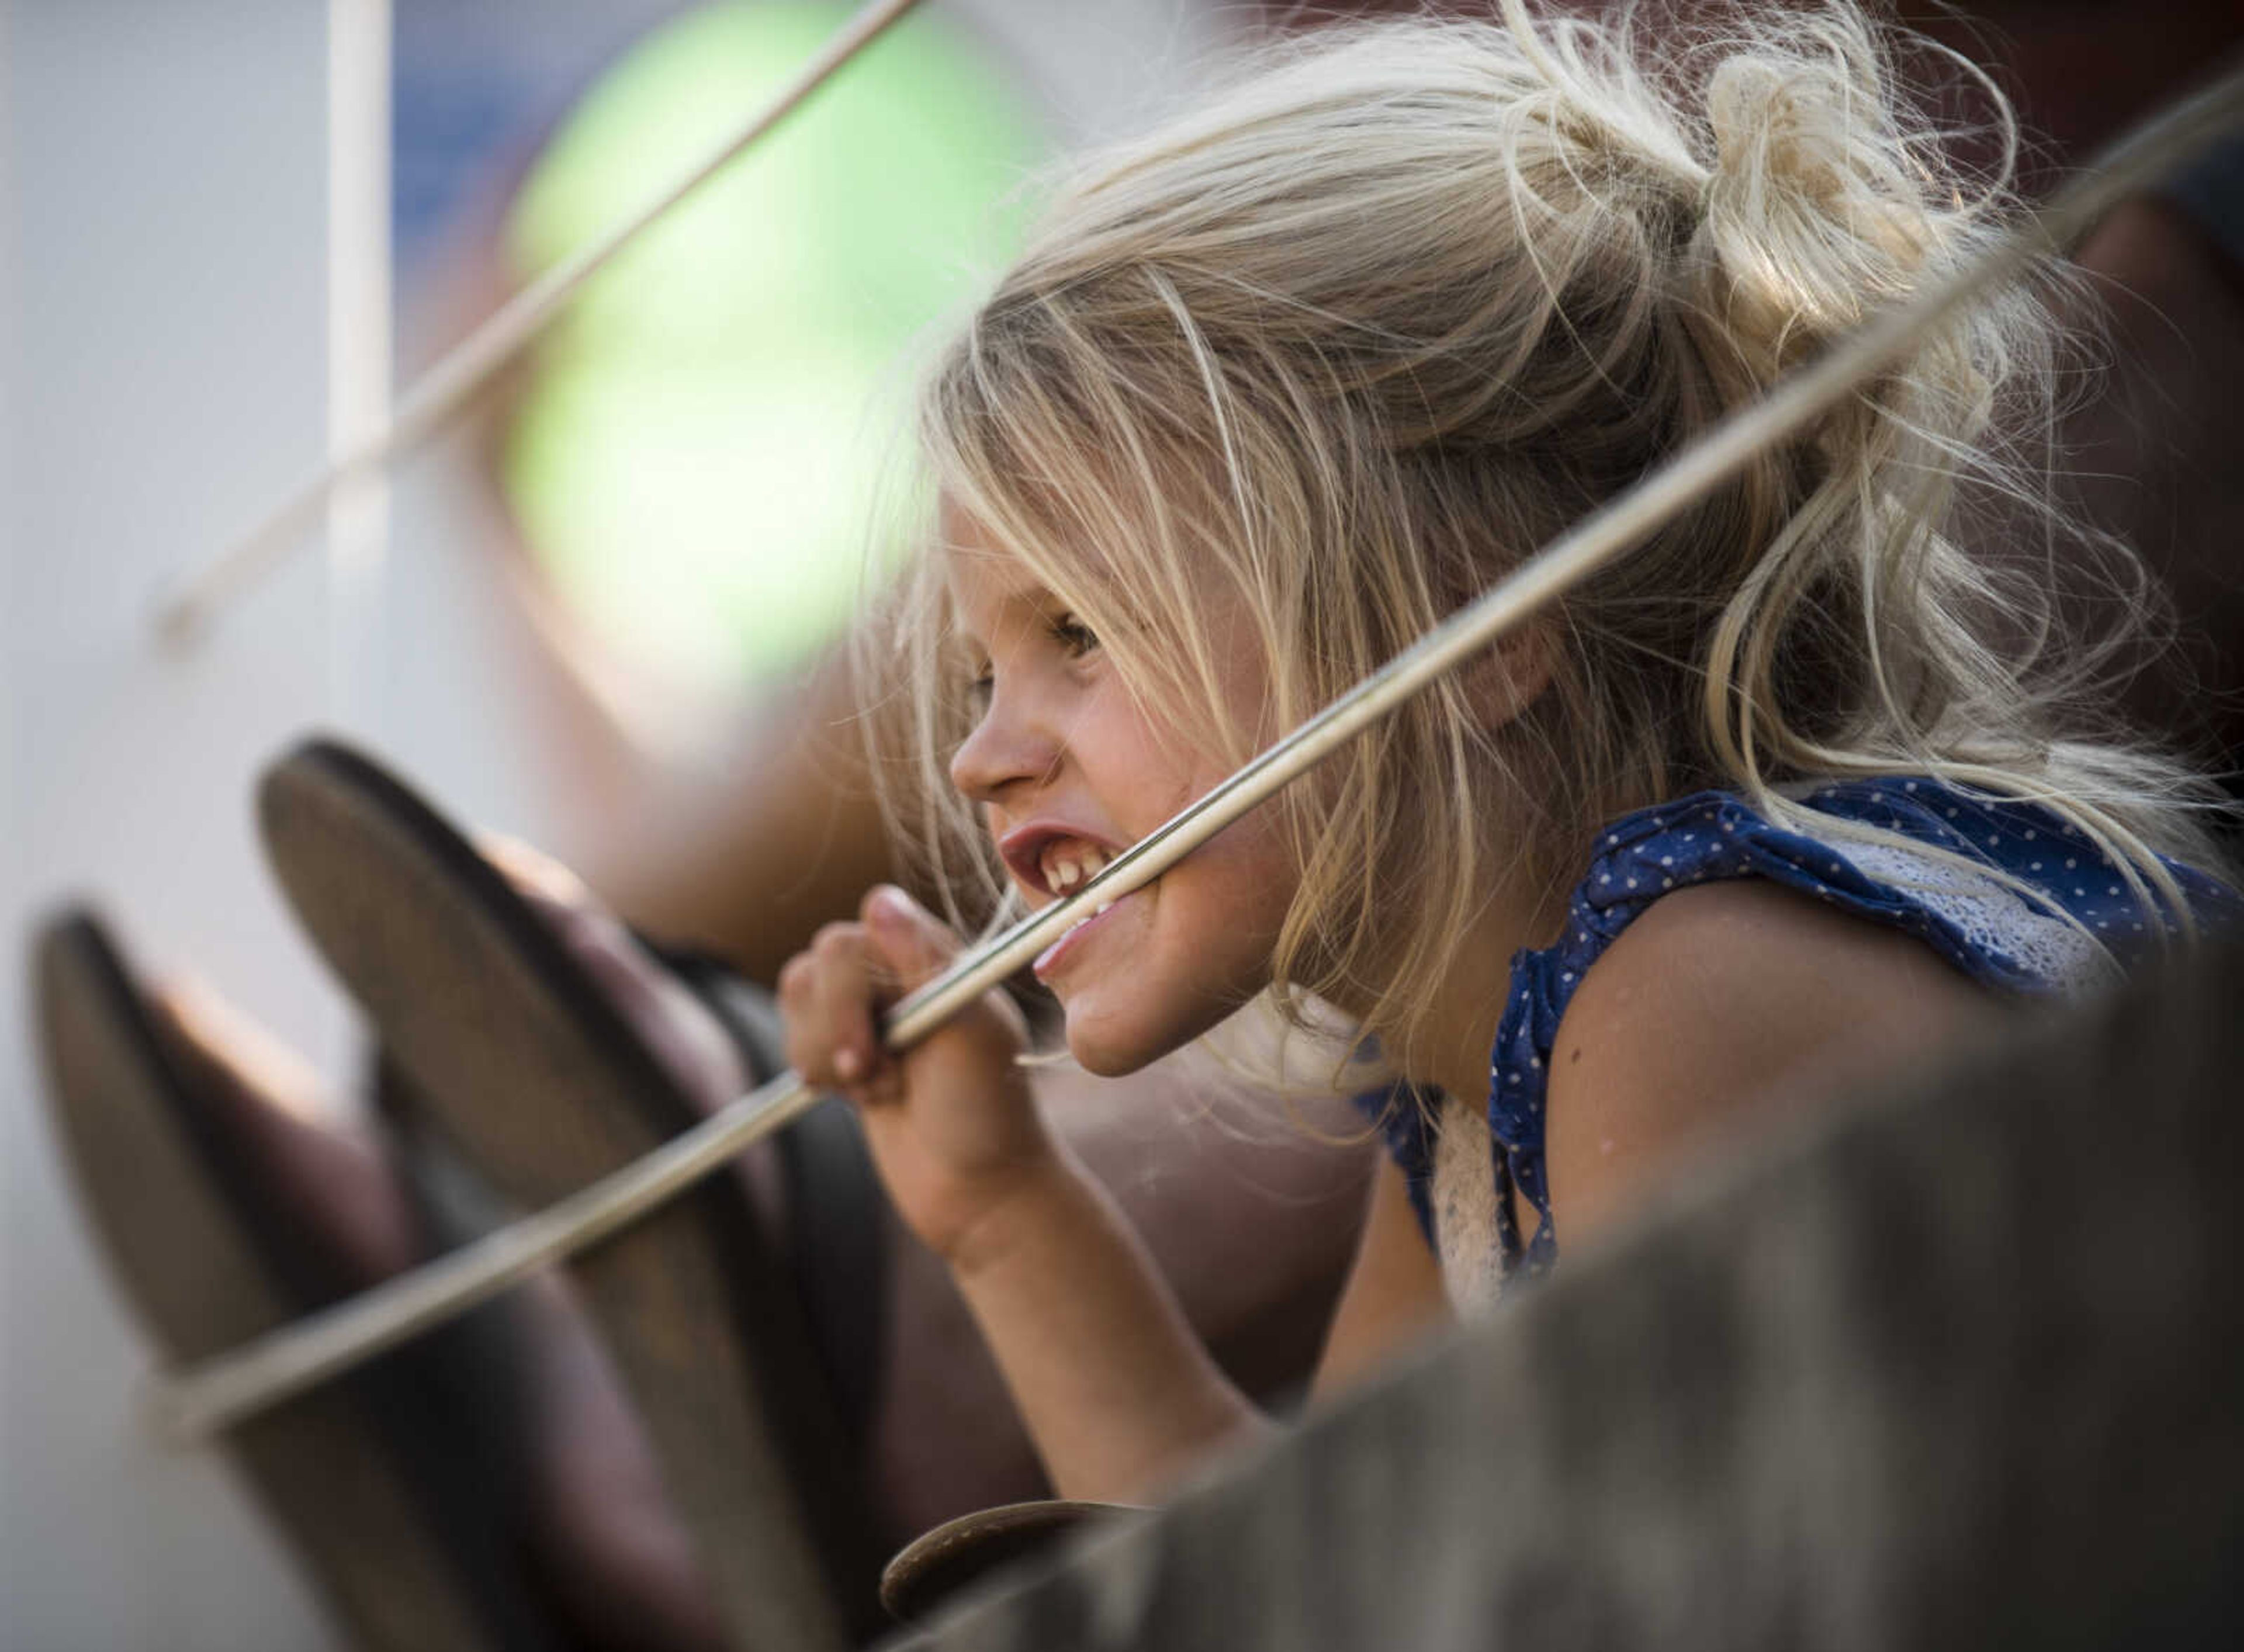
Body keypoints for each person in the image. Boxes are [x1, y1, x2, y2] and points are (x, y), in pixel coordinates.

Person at [774, 0, 2240, 1505]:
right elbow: (1319, 1588)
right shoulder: (1480, 1106)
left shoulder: (1690, 997)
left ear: (1469, 628)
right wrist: (1001, 1213)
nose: (983, 761)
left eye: (1079, 628)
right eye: (977, 676)